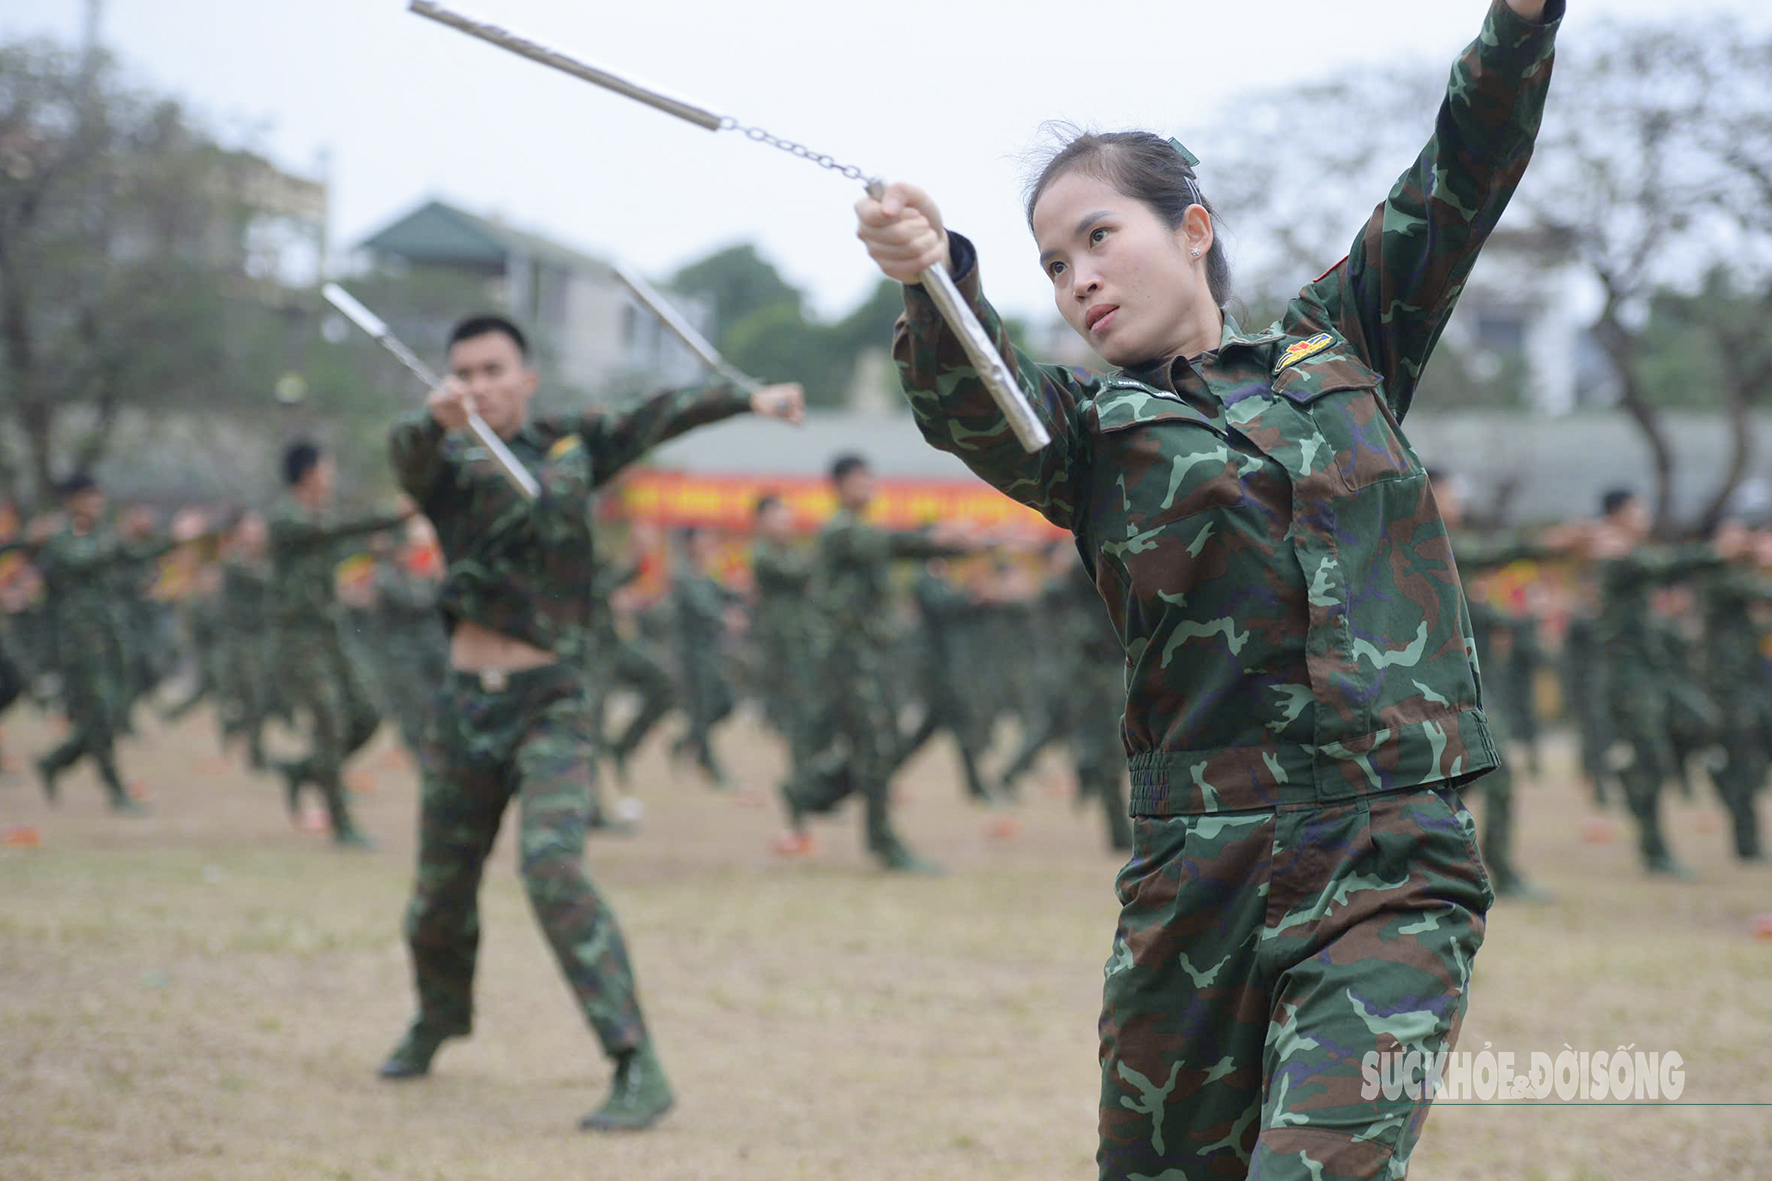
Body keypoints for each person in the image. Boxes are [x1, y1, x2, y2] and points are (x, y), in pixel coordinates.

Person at [855, 0, 1559, 1173]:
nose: (1076, 279)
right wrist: (934, 280)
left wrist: (1519, 24)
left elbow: (1458, 176)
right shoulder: (1083, 430)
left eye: (1096, 237)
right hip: (1197, 875)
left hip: (1389, 854)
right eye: (1051, 265)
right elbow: (973, 392)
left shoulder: (1344, 348)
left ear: (1190, 228)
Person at [379, 311, 803, 1132]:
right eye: (463, 372)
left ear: (525, 379)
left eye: (493, 369)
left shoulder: (570, 445)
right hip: (466, 704)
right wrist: (428, 422)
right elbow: (405, 454)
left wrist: (750, 399)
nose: (478, 385)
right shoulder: (446, 460)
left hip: (552, 699)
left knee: (553, 870)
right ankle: (439, 1015)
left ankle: (634, 1061)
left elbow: (658, 412)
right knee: (437, 895)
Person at [773, 453, 975, 873]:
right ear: (839, 486)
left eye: (870, 479)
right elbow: (895, 544)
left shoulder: (859, 531)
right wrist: (942, 540)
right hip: (845, 658)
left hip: (867, 656)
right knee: (876, 746)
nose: (868, 487)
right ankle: (880, 840)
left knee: (876, 747)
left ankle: (808, 792)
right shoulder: (841, 531)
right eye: (858, 480)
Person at [267, 441, 410, 848]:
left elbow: (347, 545)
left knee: (369, 714)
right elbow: (338, 530)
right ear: (309, 472)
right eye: (327, 467)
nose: (331, 475)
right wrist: (390, 515)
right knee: (330, 723)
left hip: (332, 630)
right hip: (299, 636)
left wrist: (381, 547)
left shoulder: (320, 516)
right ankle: (342, 825)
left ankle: (305, 772)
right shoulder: (286, 517)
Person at [35, 477, 205, 810]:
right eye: (89, 498)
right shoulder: (60, 539)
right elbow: (84, 558)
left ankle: (55, 761)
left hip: (110, 636)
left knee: (113, 714)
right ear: (71, 501)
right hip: (79, 641)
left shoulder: (103, 537)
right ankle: (114, 790)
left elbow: (136, 552)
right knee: (100, 713)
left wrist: (175, 537)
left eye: (99, 497)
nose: (97, 504)